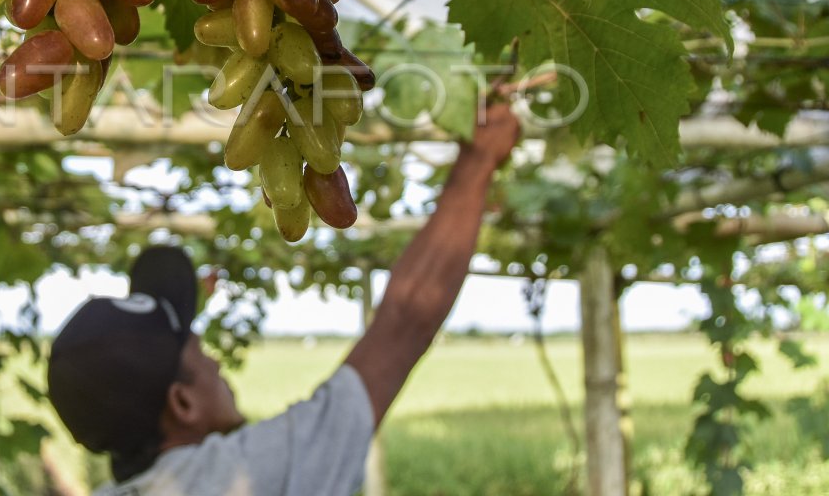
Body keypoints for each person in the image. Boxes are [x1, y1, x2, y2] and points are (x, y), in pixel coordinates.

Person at [47, 101, 521, 496]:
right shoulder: (244, 477)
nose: (216, 365)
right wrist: (476, 164)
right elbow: (403, 324)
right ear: (183, 403)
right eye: (201, 352)